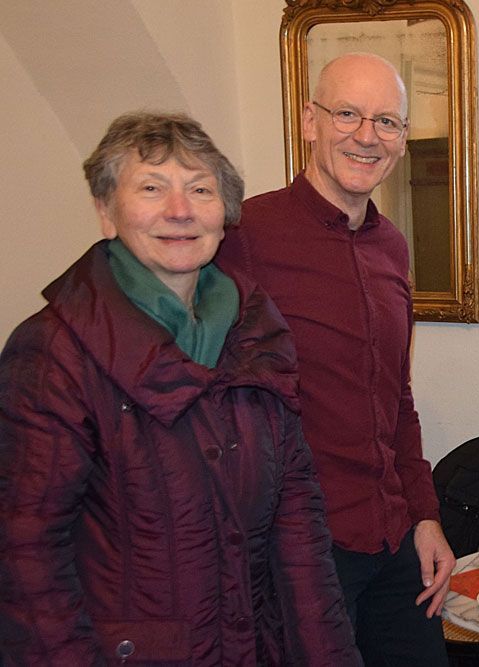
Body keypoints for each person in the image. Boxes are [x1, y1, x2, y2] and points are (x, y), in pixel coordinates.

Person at [0, 112, 359, 665]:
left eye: (199, 189)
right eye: (151, 187)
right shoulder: (54, 353)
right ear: (105, 211)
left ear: (224, 215)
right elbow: (26, 561)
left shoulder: (258, 335)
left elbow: (300, 534)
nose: (180, 210)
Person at [218, 53, 453, 665]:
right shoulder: (243, 236)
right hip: (298, 549)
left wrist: (425, 516)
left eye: (387, 121)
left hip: (393, 534)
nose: (366, 136)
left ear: (402, 139)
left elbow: (396, 396)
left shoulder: (392, 246)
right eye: (346, 113)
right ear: (309, 122)